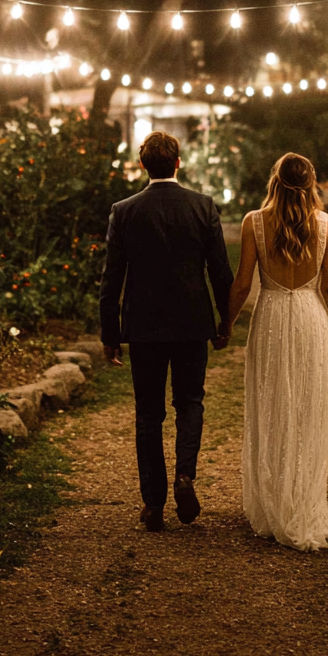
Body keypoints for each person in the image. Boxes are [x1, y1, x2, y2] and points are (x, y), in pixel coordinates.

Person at [100, 131, 234, 532]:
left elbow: (112, 279)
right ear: (178, 163)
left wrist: (110, 334)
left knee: (148, 413)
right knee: (190, 402)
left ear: (143, 165)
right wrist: (224, 321)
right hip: (192, 322)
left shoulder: (124, 211)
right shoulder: (202, 207)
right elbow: (220, 272)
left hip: (143, 327)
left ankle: (153, 502)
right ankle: (185, 477)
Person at [218, 152, 328, 551]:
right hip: (310, 320)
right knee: (308, 410)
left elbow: (242, 284)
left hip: (271, 317)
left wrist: (225, 325)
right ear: (312, 183)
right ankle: (301, 503)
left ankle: (272, 503)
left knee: (271, 406)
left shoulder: (254, 222)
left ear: (274, 180)